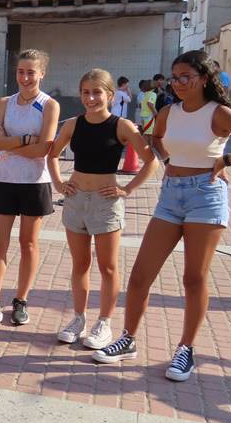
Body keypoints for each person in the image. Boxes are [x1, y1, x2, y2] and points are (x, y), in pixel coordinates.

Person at [93, 50, 231, 382]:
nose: (178, 83)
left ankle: (186, 349)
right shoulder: (168, 111)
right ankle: (127, 338)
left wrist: (225, 161)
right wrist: (169, 161)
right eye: (174, 77)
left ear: (202, 78)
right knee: (141, 273)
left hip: (206, 195)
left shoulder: (219, 113)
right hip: (171, 193)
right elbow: (156, 138)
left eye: (185, 76)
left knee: (193, 278)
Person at [48, 69, 157, 348]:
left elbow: (151, 162)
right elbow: (52, 155)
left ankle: (104, 323)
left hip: (105, 203)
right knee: (80, 264)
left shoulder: (122, 126)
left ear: (110, 95)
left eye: (97, 92)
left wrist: (127, 189)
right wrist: (59, 184)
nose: (91, 98)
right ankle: (79, 318)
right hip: (76, 201)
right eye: (86, 92)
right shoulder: (72, 124)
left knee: (107, 266)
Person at [0, 49, 60, 326]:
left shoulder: (49, 105)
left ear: (42, 73)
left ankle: (21, 300)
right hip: (5, 180)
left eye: (31, 72)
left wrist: (10, 140)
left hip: (34, 183)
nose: (25, 77)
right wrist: (27, 139)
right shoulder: (5, 103)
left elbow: (43, 150)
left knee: (28, 243)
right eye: (21, 71)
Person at [140, 79, 157, 147]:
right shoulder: (153, 94)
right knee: (149, 134)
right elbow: (150, 104)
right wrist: (156, 113)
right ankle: (147, 150)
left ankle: (145, 149)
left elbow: (142, 105)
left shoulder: (144, 94)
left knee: (146, 134)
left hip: (143, 115)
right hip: (149, 116)